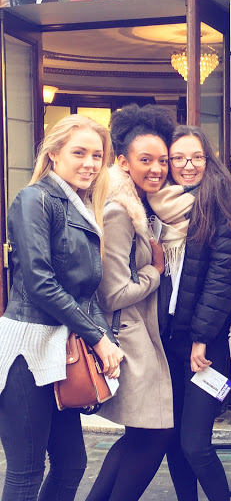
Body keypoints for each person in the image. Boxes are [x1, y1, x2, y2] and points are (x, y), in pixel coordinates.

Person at [0, 114, 123, 500]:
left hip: (62, 349)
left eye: (97, 155)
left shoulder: (82, 205)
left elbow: (87, 290)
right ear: (54, 154)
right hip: (28, 347)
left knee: (71, 465)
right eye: (79, 152)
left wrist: (104, 338)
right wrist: (98, 338)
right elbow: (39, 283)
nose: (89, 163)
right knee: (26, 471)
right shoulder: (35, 199)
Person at [146, 126, 231, 501]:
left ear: (209, 160)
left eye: (196, 158)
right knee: (173, 440)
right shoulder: (155, 204)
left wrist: (201, 337)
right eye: (178, 159)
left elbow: (223, 278)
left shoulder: (223, 202)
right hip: (166, 341)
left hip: (206, 346)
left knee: (195, 444)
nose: (188, 166)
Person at [86, 104, 175, 501]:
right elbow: (113, 292)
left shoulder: (142, 207)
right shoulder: (119, 211)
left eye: (162, 160)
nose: (157, 168)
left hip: (140, 335)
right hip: (130, 339)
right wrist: (155, 271)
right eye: (145, 160)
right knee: (155, 435)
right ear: (122, 162)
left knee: (141, 435)